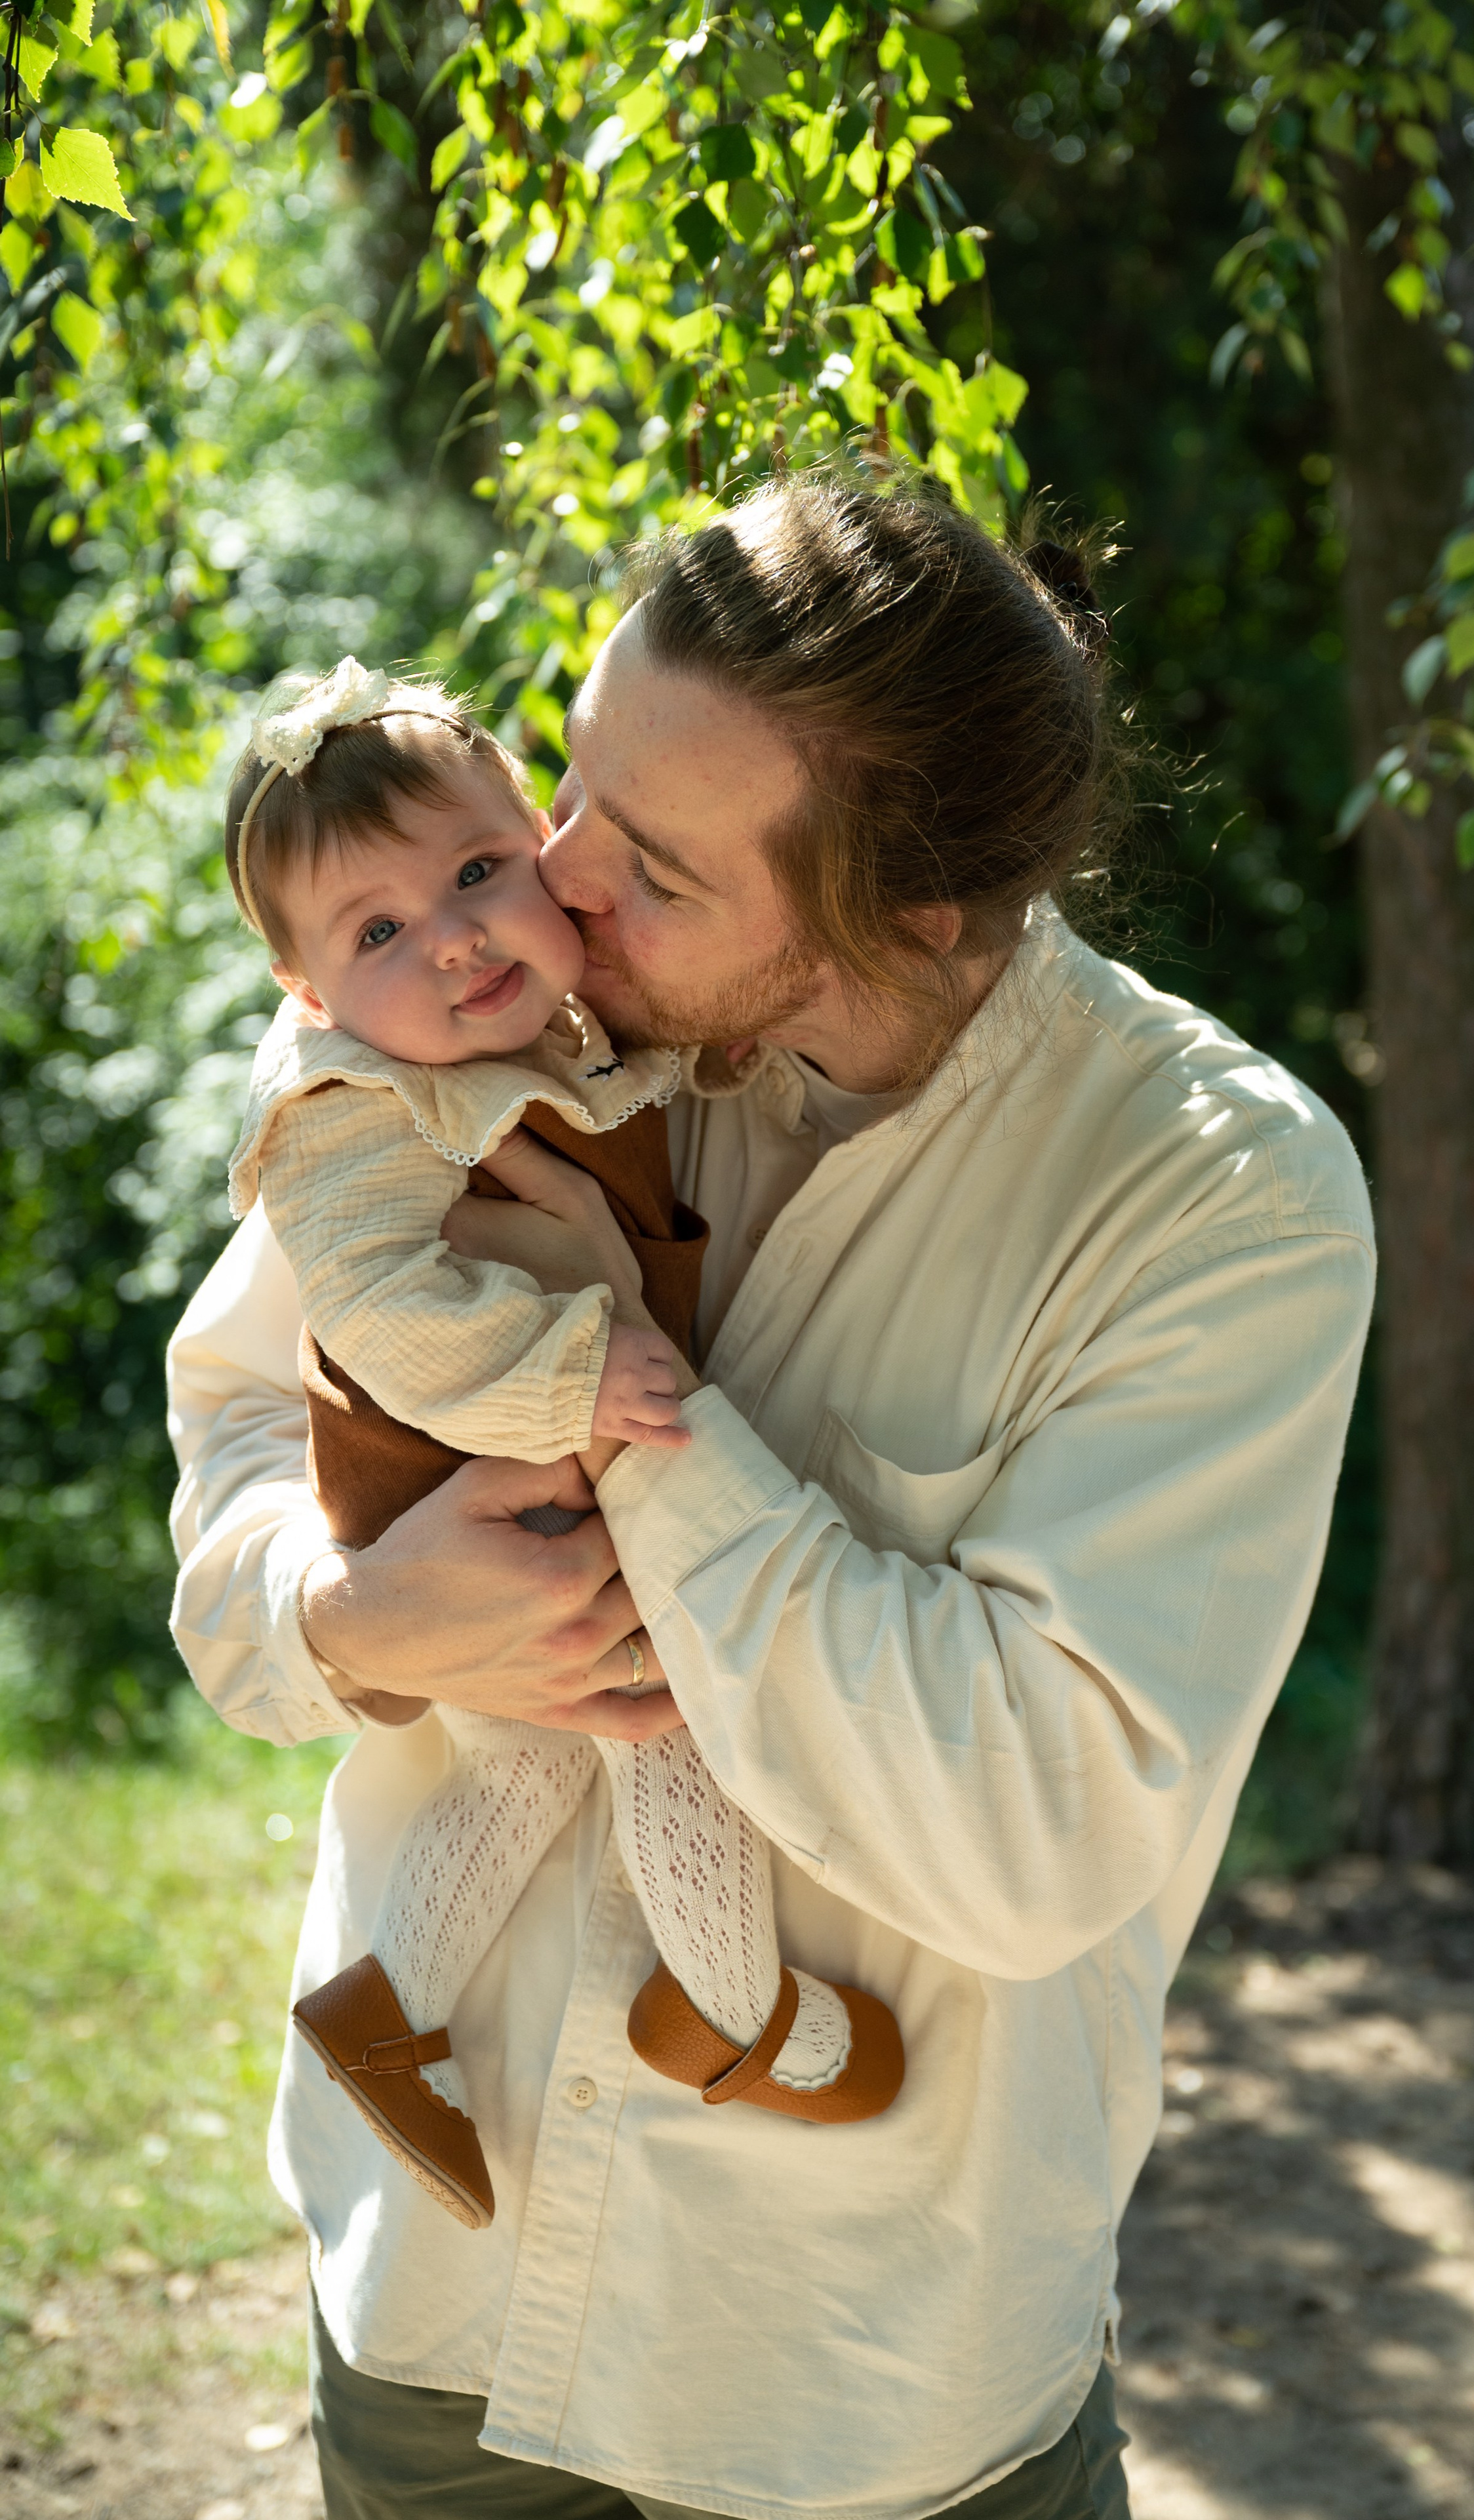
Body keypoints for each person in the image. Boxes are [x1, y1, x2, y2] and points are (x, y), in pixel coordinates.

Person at [167, 474, 1376, 2520]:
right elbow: (239, 1446)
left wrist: (642, 1413)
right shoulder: (483, 1043)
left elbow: (1029, 1821)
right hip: (431, 2297)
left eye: (641, 858)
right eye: (565, 778)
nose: (546, 873)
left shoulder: (1215, 1199)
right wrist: (348, 1623)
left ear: (902, 910)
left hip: (850, 2375)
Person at [221, 659, 904, 2235]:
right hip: (460, 1467)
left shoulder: (553, 1023)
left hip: (523, 1466)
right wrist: (573, 1369)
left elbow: (639, 1096)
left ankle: (384, 2011)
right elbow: (386, 1311)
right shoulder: (345, 1107)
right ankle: (730, 2012)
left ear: (541, 836)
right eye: (377, 931)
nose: (451, 937)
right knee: (650, 1715)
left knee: (527, 1751)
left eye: (473, 873)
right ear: (307, 994)